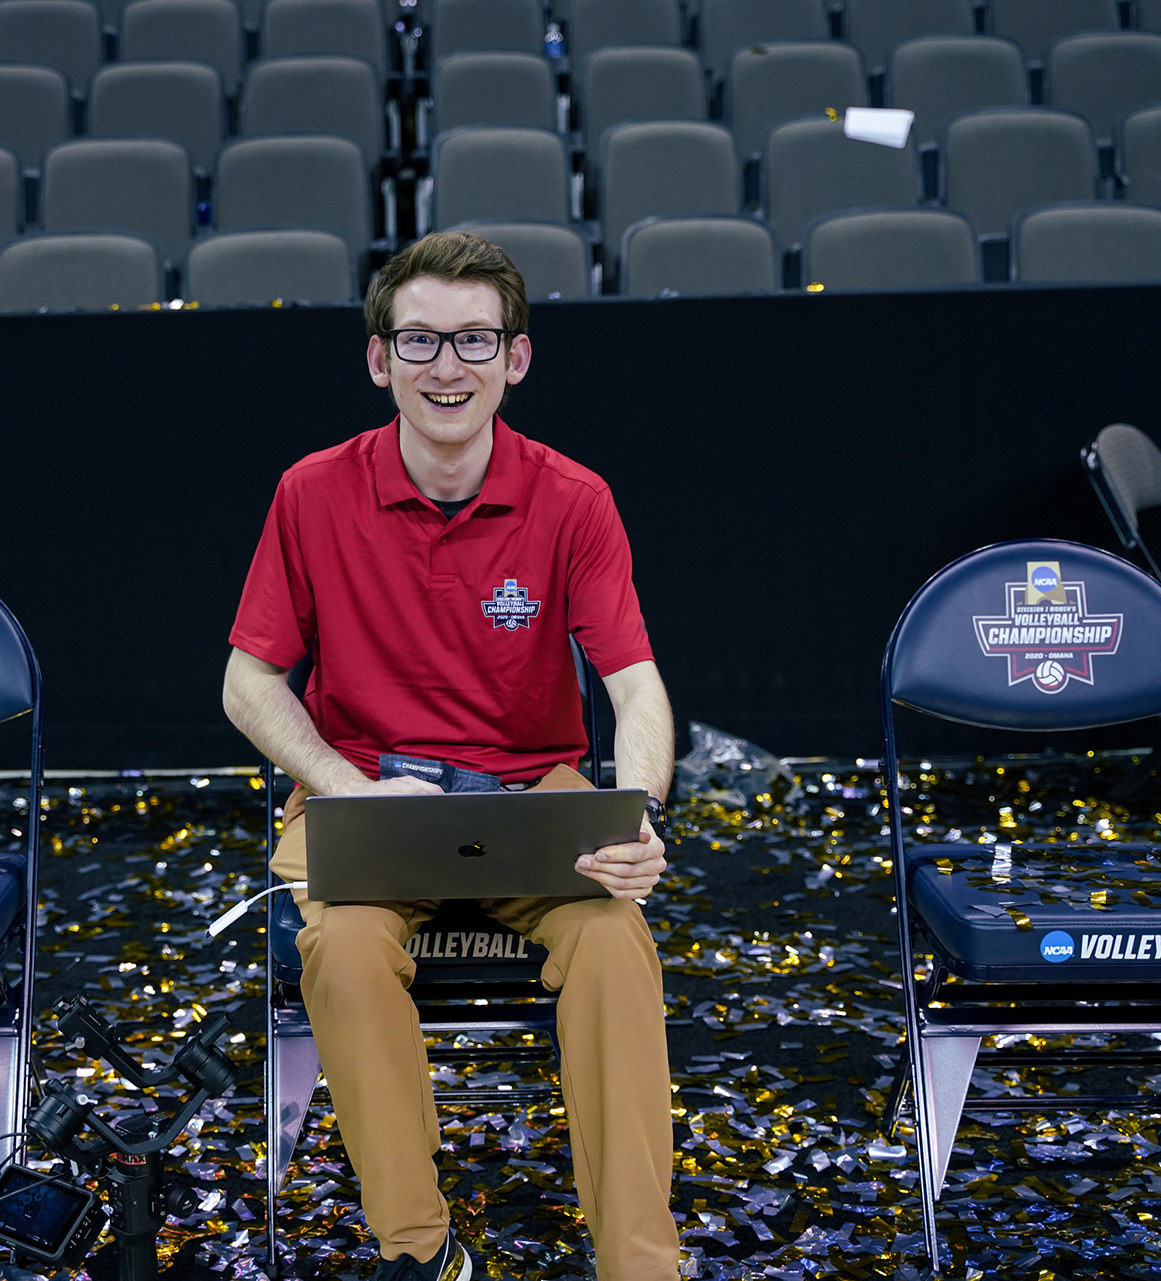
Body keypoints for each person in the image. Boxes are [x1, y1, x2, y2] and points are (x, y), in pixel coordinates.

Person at [222, 231, 680, 1281]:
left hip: (531, 803)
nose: (446, 366)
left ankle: (642, 1265)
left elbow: (635, 686)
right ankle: (422, 1252)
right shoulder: (311, 491)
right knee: (342, 949)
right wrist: (351, 790)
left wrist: (638, 812)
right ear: (378, 358)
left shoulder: (574, 498)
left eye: (474, 340)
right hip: (367, 797)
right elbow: (247, 682)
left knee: (614, 941)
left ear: (515, 359)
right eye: (419, 339)